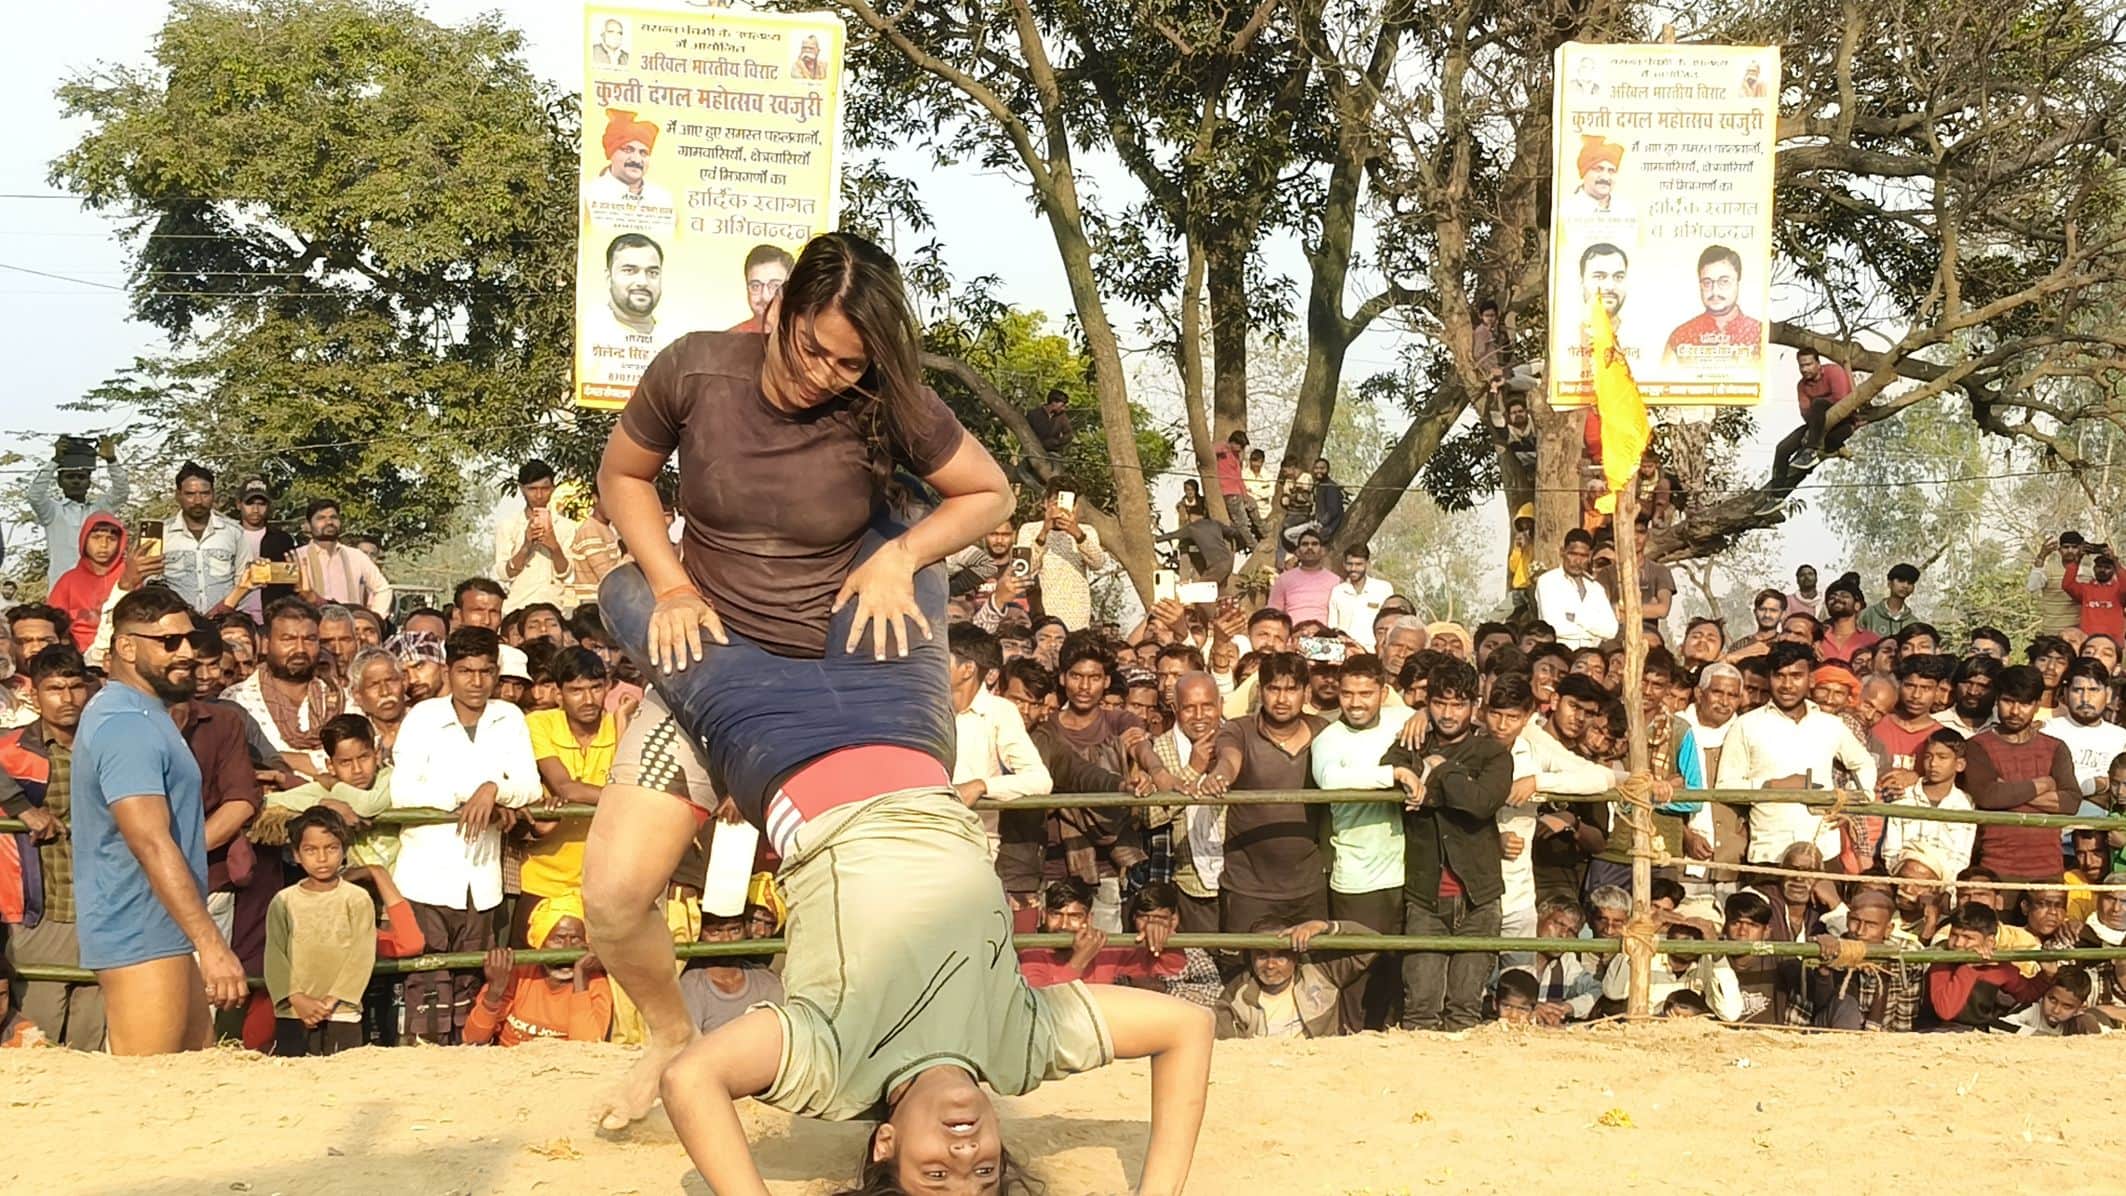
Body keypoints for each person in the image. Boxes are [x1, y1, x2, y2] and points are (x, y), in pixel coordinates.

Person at [70, 587, 247, 1053]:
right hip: (137, 929)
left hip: (159, 928)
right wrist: (211, 944)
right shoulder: (125, 724)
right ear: (126, 647)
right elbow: (149, 841)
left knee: (190, 1084)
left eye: (190, 640)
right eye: (169, 643)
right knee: (147, 1095)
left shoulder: (145, 715)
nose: (187, 653)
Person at [389, 626, 541, 1044]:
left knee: (470, 978)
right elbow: (403, 792)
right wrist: (467, 797)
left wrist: (493, 791)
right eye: (465, 671)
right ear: (448, 672)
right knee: (426, 979)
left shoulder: (508, 717)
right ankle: (423, 1062)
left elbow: (529, 785)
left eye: (486, 671)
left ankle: (469, 1063)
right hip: (427, 874)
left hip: (481, 878)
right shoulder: (423, 718)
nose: (476, 682)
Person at [1388, 658, 1512, 1032]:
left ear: (1474, 706)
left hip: (1479, 896)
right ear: (1427, 703)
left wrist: (1439, 769)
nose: (1447, 713)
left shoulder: (1493, 753)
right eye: (1440, 703)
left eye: (1458, 704)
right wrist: (1409, 772)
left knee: (1464, 1011)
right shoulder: (1410, 743)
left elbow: (1479, 803)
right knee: (1421, 1009)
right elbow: (1390, 778)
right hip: (1425, 896)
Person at [0, 645, 104, 1048]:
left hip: (102, 905)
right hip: (38, 908)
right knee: (37, 1033)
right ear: (34, 695)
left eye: (76, 686)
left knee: (90, 1035)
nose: (67, 698)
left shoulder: (105, 744)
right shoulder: (14, 748)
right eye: (55, 688)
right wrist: (21, 807)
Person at [1716, 642, 1878, 864]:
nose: (1787, 685)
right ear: (1769, 678)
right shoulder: (1746, 725)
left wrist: (1848, 801)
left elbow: (1865, 765)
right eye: (1779, 676)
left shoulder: (1830, 724)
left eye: (1796, 676)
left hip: (1824, 847)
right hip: (1769, 851)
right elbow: (1725, 787)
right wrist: (1772, 786)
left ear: (1810, 679)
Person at [263, 807, 376, 1056]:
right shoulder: (283, 901)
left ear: (344, 851)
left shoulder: (356, 899)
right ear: (296, 855)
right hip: (294, 1011)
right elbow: (274, 954)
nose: (322, 858)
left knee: (342, 1079)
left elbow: (362, 954)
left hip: (342, 1011)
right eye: (311, 850)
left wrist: (332, 1000)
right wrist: (296, 998)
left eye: (331, 848)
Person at [519, 647, 617, 931]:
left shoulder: (621, 726)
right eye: (576, 690)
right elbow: (565, 787)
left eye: (596, 688)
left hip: (605, 882)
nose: (588, 699)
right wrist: (623, 799)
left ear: (607, 686)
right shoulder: (539, 723)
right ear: (558, 695)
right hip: (542, 878)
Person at [1963, 665, 2079, 881]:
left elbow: (2071, 802)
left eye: (2025, 703)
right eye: (2008, 701)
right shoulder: (1977, 746)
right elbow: (1988, 796)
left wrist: (2008, 791)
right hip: (1995, 865)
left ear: (2036, 705)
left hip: (2048, 867)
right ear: (1997, 700)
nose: (2015, 711)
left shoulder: (2055, 747)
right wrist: (2042, 784)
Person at [463, 893, 613, 1045]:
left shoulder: (595, 984)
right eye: (558, 939)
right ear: (540, 943)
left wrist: (581, 983)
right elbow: (473, 1039)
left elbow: (587, 1049)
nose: (567, 948)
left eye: (575, 939)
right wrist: (494, 992)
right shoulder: (518, 974)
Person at [223, 597, 344, 780]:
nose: (300, 649)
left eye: (310, 639)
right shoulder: (236, 700)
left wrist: (283, 758)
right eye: (288, 639)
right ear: (266, 643)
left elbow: (359, 755)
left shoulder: (340, 696)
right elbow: (237, 760)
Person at [1216, 917, 1379, 1039]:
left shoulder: (1321, 973)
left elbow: (1375, 943)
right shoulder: (1237, 994)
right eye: (1262, 955)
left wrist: (1324, 926)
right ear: (1250, 957)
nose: (1271, 965)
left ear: (1296, 955)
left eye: (1281, 956)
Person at [28, 435, 128, 585]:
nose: (76, 481)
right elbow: (35, 495)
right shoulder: (53, 512)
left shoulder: (100, 511)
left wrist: (111, 460)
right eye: (70, 477)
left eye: (81, 477)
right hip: (60, 586)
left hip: (95, 586)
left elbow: (121, 492)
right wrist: (55, 461)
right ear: (60, 482)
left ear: (89, 482)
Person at [679, 905, 786, 1036]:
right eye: (715, 932)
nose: (726, 939)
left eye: (734, 930)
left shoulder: (766, 981)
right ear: (700, 934)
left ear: (746, 930)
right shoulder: (691, 985)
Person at [1016, 477, 1106, 631]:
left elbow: (1098, 563)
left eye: (1066, 504)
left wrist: (1076, 533)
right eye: (1055, 503)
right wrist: (1044, 532)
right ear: (1045, 503)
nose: (1061, 509)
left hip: (1078, 621)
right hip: (1043, 619)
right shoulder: (1029, 530)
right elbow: (1022, 570)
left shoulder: (1087, 532)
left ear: (1075, 506)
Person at [494, 460, 578, 616]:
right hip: (517, 608)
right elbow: (503, 573)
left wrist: (554, 546)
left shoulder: (567, 527)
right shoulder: (509, 526)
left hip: (554, 606)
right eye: (532, 489)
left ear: (553, 488)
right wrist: (526, 546)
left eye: (545, 489)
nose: (539, 495)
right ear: (521, 489)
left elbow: (568, 574)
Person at [160, 462, 244, 614]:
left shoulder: (234, 532)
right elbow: (152, 583)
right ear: (178, 495)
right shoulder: (162, 534)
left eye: (204, 494)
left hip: (223, 623)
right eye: (190, 494)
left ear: (213, 494)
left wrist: (225, 610)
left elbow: (244, 581)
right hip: (177, 623)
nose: (198, 501)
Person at [1662, 245, 1763, 366]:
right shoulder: (1680, 337)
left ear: (1738, 281)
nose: (1715, 291)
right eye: (1707, 283)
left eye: (1724, 281)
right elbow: (1664, 380)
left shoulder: (1759, 333)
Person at [291, 499, 392, 617]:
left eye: (333, 517)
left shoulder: (356, 556)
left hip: (349, 627)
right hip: (311, 627)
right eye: (321, 518)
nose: (329, 522)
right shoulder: (297, 557)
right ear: (308, 525)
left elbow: (382, 589)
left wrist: (376, 619)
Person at [45, 513, 127, 653]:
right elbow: (51, 622)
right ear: (84, 540)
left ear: (121, 543)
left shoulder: (129, 577)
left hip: (120, 652)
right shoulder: (69, 580)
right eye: (96, 538)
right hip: (77, 655)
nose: (103, 545)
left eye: (111, 539)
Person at [1535, 529, 1619, 650]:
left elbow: (1611, 630)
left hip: (1590, 655)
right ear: (1562, 552)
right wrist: (1594, 631)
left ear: (1589, 556)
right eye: (1573, 554)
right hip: (1560, 653)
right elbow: (1554, 627)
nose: (1578, 561)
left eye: (1583, 556)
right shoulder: (1548, 581)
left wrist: (1576, 617)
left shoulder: (1595, 588)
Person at [585, 108, 673, 209]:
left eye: (643, 153)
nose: (636, 160)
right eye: (628, 150)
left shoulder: (663, 200)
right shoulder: (589, 195)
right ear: (611, 153)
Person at [1327, 544, 1393, 649]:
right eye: (1350, 564)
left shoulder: (1383, 588)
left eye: (1358, 564)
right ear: (1344, 564)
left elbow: (1391, 623)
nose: (1353, 568)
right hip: (1346, 651)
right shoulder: (1338, 591)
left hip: (1373, 651)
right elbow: (1332, 626)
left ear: (1367, 564)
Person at [1267, 528, 1338, 626]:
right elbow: (1273, 614)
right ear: (1297, 552)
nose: (1309, 547)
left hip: (1326, 637)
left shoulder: (1335, 581)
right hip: (1293, 636)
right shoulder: (1283, 580)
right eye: (1305, 544)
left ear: (1322, 551)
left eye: (1314, 544)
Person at [2029, 533, 2090, 635]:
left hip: (2079, 634)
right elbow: (2032, 586)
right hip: (2053, 633)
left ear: (2080, 549)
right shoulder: (2049, 570)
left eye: (2074, 547)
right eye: (2066, 547)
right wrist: (2042, 556)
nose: (2070, 550)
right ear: (2059, 549)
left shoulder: (2090, 574)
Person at [726, 243, 794, 335]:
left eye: (775, 286)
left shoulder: (808, 337)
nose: (765, 297)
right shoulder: (730, 338)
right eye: (755, 286)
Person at [2063, 545, 2126, 642]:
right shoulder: (2085, 589)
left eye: (2107, 567)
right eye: (2099, 566)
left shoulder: (2119, 590)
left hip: (2113, 642)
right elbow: (2067, 585)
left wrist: (2115, 561)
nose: (2102, 570)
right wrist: (2077, 560)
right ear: (2094, 568)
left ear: (2113, 570)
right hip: (2088, 641)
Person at [1211, 429, 1259, 547]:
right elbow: (1211, 450)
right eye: (1240, 446)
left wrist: (1245, 495)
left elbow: (1238, 478)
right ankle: (1253, 545)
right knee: (1242, 523)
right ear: (1234, 443)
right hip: (1228, 492)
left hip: (1237, 492)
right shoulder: (1224, 450)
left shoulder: (1236, 457)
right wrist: (1225, 447)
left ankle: (1261, 533)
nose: (1241, 449)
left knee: (1250, 512)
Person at [1857, 563, 1922, 638]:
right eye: (1901, 580)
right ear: (1889, 583)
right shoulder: (1868, 614)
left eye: (1910, 583)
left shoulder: (1913, 622)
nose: (1905, 586)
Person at [1562, 135, 1623, 215]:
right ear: (1584, 172)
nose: (1605, 177)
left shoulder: (1625, 210)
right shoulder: (1567, 209)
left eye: (1611, 171)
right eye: (1598, 169)